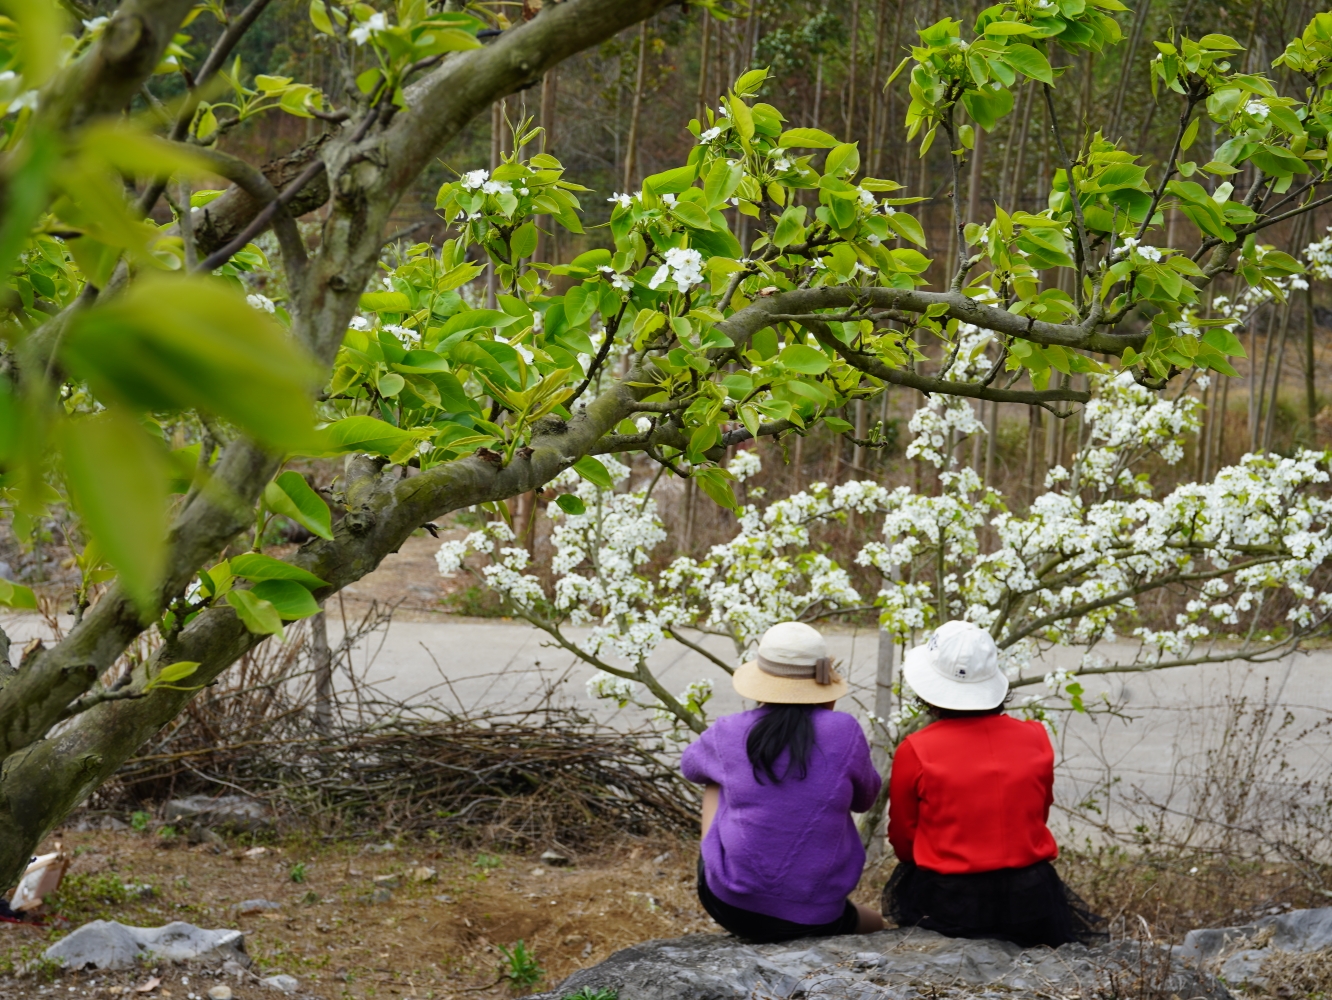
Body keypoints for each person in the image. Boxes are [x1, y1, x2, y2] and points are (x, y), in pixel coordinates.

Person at [883, 620, 1104, 948]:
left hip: (950, 897)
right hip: (1031, 893)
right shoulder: (1035, 736)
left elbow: (904, 837)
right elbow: (1036, 813)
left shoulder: (915, 749)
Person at [681, 620, 884, 943]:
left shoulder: (728, 730)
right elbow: (865, 798)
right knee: (876, 924)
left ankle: (723, 866)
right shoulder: (844, 731)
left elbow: (690, 767)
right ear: (822, 683)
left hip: (731, 904)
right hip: (819, 914)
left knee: (714, 778)